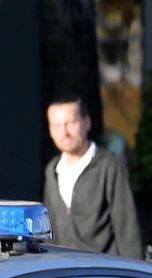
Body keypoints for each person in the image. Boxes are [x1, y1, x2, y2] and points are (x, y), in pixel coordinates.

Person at [43, 95, 143, 258]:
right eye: (56, 125)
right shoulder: (52, 170)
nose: (64, 132)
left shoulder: (109, 166)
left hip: (103, 275)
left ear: (86, 123)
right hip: (66, 276)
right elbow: (50, 232)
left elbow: (127, 228)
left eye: (71, 123)